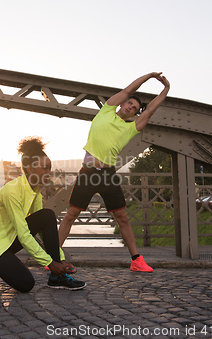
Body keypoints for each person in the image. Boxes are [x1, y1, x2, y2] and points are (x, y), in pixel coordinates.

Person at [58, 72, 170, 272]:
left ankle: (136, 260)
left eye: (134, 108)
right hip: (88, 172)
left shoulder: (131, 128)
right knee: (71, 215)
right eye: (129, 103)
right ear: (121, 104)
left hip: (107, 175)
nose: (130, 106)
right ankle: (54, 258)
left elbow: (150, 110)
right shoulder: (106, 111)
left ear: (134, 114)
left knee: (122, 218)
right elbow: (129, 89)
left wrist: (165, 89)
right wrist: (150, 76)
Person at [0, 136, 86, 292]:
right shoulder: (12, 191)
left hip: (7, 240)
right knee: (26, 284)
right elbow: (24, 235)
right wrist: (50, 263)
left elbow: (42, 230)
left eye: (49, 168)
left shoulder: (34, 192)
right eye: (45, 168)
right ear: (30, 168)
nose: (48, 172)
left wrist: (60, 260)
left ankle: (57, 278)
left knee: (47, 215)